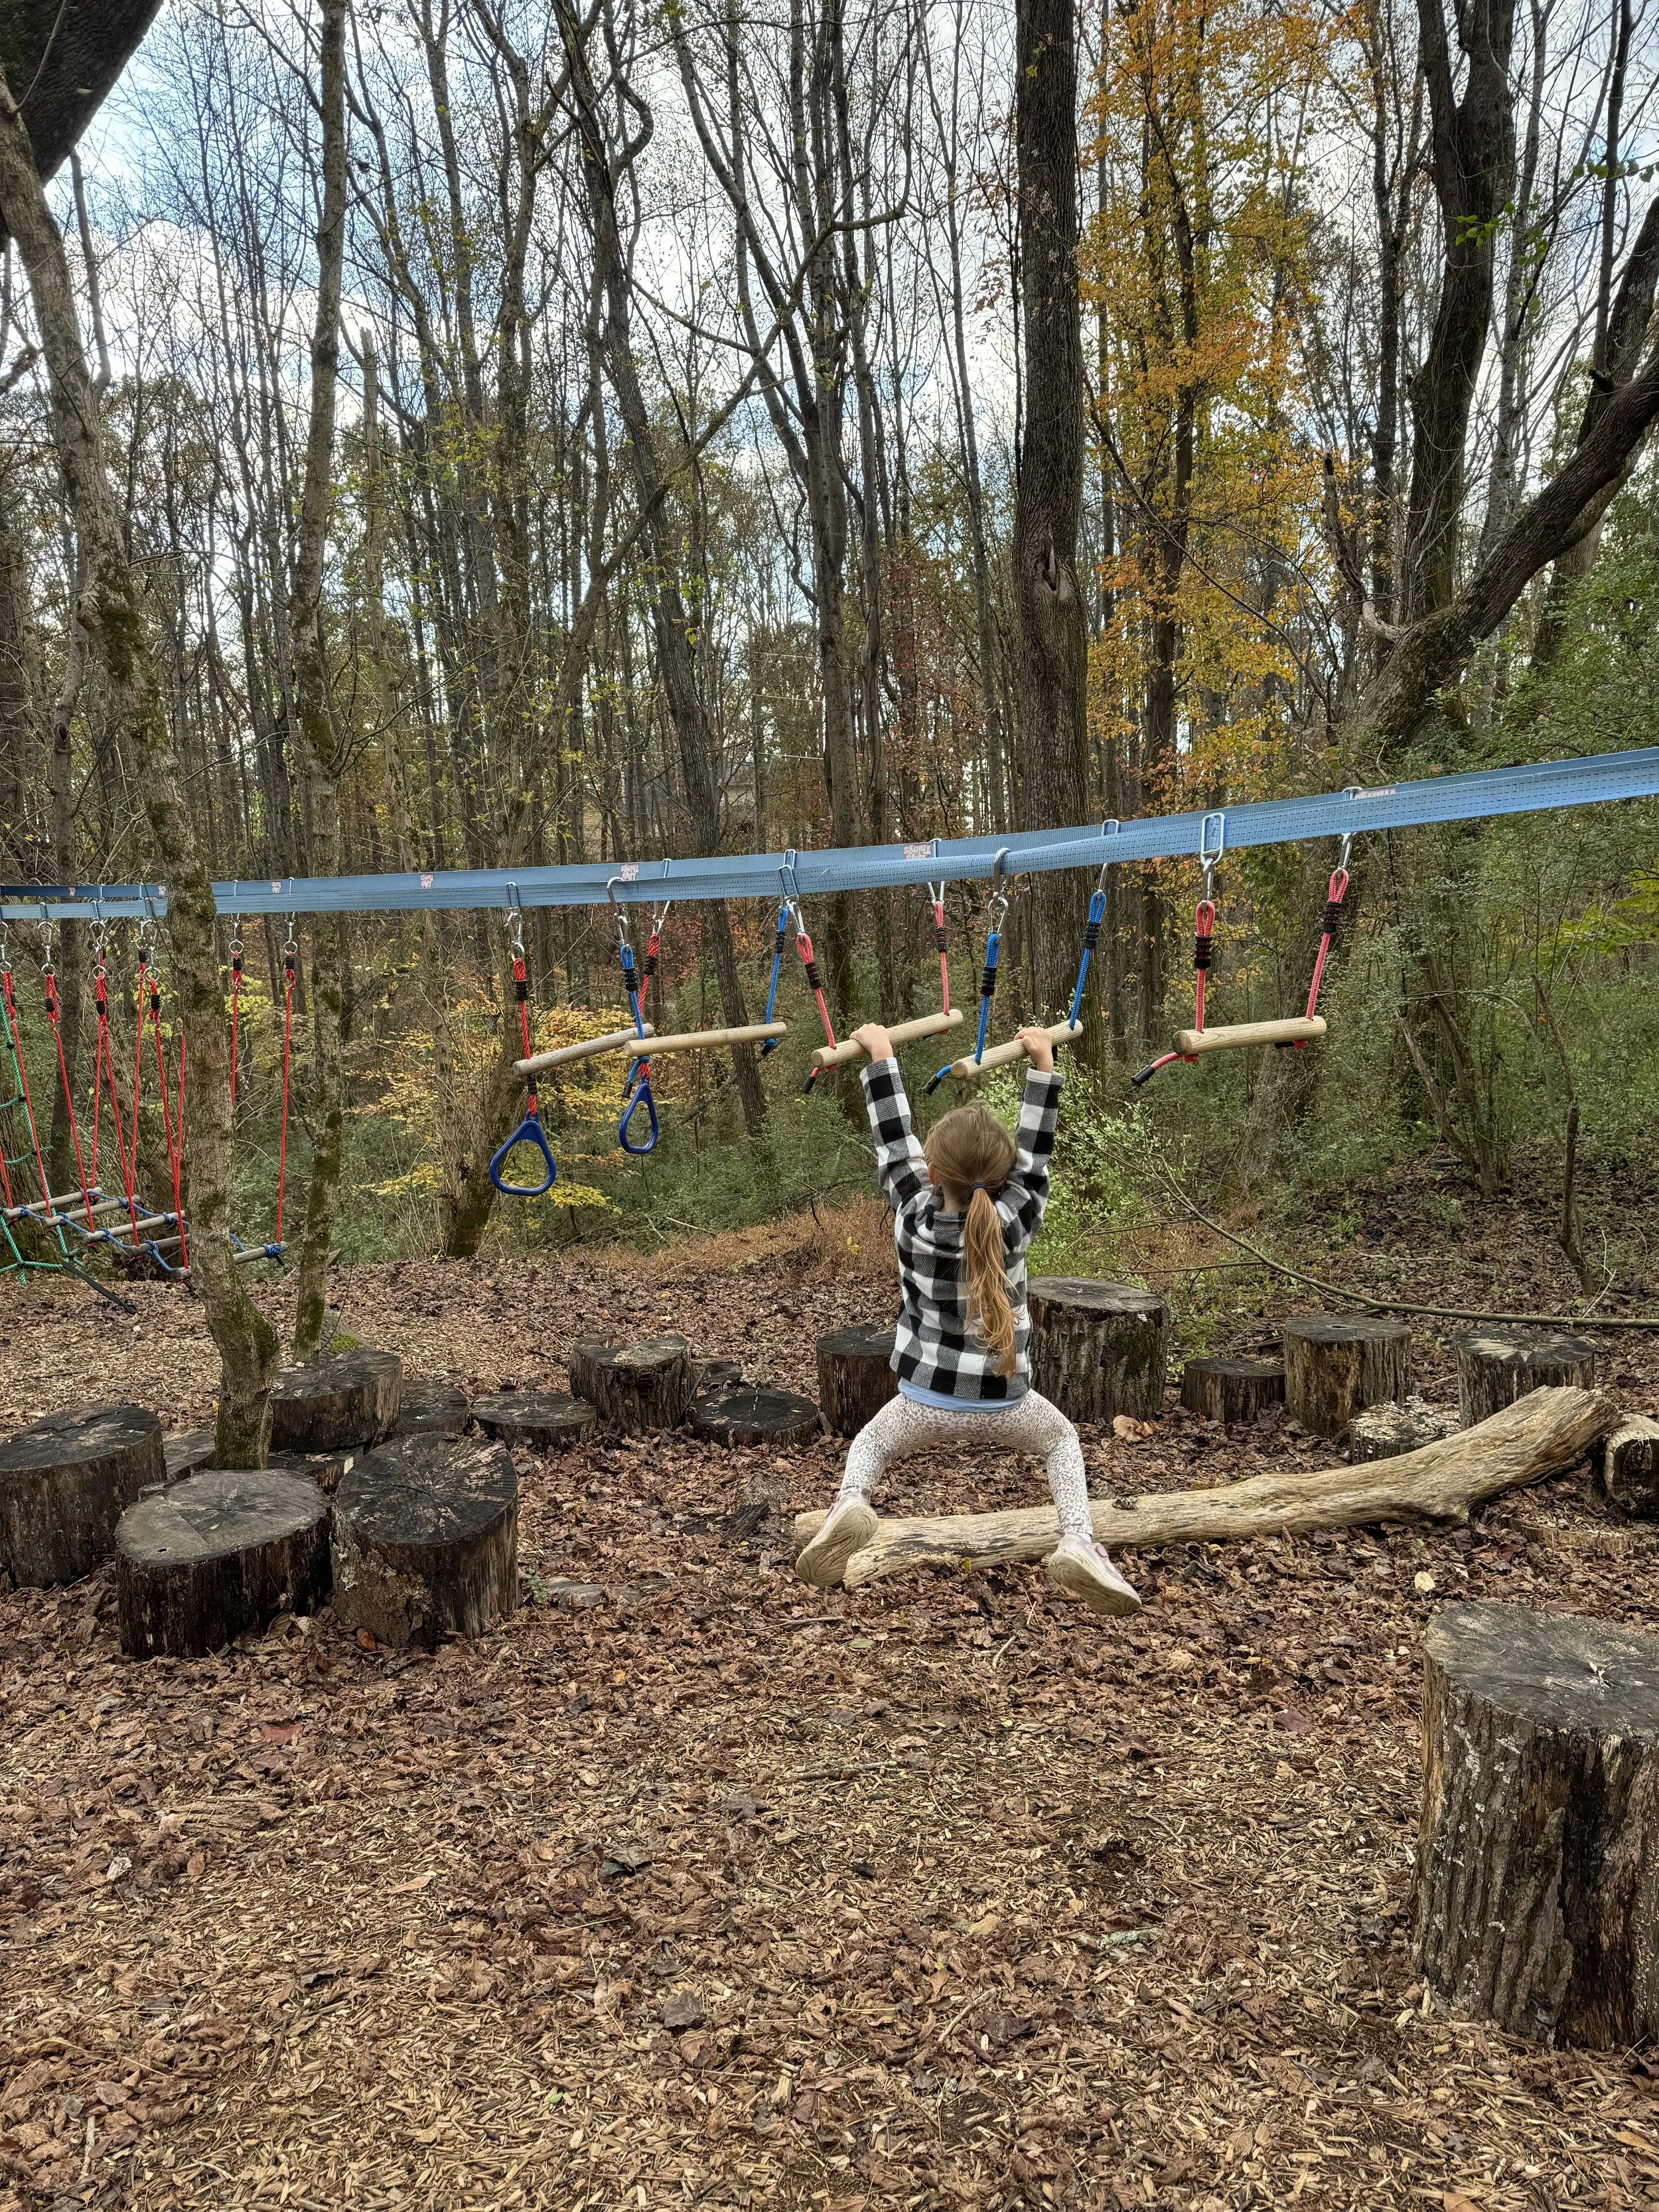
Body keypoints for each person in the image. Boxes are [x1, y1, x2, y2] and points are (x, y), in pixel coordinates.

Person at [796, 1021, 1141, 1616]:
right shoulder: (1014, 1220)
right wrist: (1042, 1065)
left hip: (923, 1397)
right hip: (1007, 1399)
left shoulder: (911, 1215)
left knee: (872, 1441)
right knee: (1061, 1440)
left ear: (934, 1175)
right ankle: (1078, 1540)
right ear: (1004, 1180)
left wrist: (880, 1057)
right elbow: (1035, 1153)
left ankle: (851, 1500)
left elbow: (894, 1142)